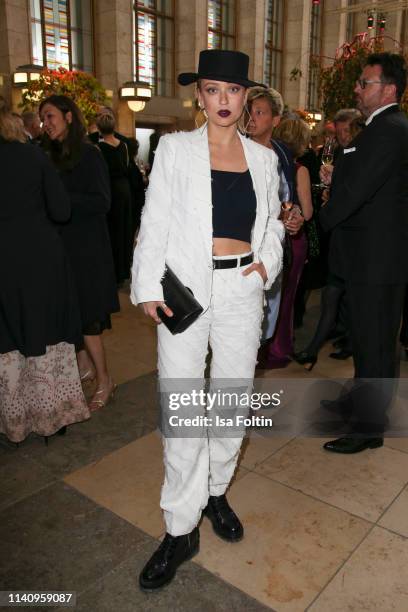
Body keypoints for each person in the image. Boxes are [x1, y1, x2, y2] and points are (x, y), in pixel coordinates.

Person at [131, 49, 284, 591]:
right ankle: (179, 525)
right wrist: (147, 286)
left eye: (234, 90)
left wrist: (267, 261)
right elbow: (154, 221)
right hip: (185, 291)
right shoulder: (174, 149)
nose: (224, 100)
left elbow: (271, 223)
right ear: (200, 95)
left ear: (247, 98)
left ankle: (216, 490)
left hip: (242, 288)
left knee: (232, 396)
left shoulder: (265, 160)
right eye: (214, 89)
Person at [319, 52, 408, 454]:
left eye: (364, 82)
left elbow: (357, 192)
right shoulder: (384, 127)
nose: (357, 88)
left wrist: (319, 217)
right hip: (373, 258)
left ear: (388, 89)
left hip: (376, 260)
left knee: (373, 343)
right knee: (369, 340)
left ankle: (367, 427)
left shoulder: (388, 128)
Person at [0, 98, 89, 444]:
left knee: (8, 335)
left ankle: (14, 422)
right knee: (46, 330)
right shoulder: (33, 155)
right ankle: (53, 416)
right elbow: (61, 209)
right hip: (40, 256)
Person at [39, 95, 119, 411]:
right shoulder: (48, 154)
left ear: (69, 117)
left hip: (87, 248)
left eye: (50, 116)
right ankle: (84, 366)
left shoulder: (90, 154)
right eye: (43, 118)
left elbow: (102, 202)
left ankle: (104, 379)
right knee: (72, 313)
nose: (46, 124)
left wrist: (60, 200)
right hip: (59, 248)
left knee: (89, 319)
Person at [294, 110, 363, 371]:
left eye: (347, 131)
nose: (343, 136)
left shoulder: (360, 158)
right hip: (341, 242)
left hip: (355, 244)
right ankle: (319, 349)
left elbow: (352, 201)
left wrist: (329, 203)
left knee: (341, 298)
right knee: (333, 297)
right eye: (338, 132)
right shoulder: (343, 155)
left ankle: (324, 348)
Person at [246, 86, 304, 343]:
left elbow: (288, 197)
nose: (251, 117)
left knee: (267, 318)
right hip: (245, 247)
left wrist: (295, 215)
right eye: (249, 111)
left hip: (273, 246)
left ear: (276, 120)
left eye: (259, 112)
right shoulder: (238, 150)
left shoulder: (281, 153)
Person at [260, 118, 313, 368]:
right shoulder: (298, 168)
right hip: (291, 238)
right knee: (282, 296)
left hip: (291, 237)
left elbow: (306, 215)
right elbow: (310, 211)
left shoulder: (291, 169)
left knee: (279, 296)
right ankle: (275, 346)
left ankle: (277, 348)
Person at [96, 112, 134, 285]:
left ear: (98, 128)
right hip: (124, 190)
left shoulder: (98, 148)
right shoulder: (124, 146)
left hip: (110, 190)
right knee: (125, 231)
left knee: (112, 232)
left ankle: (114, 272)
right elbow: (127, 167)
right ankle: (124, 270)